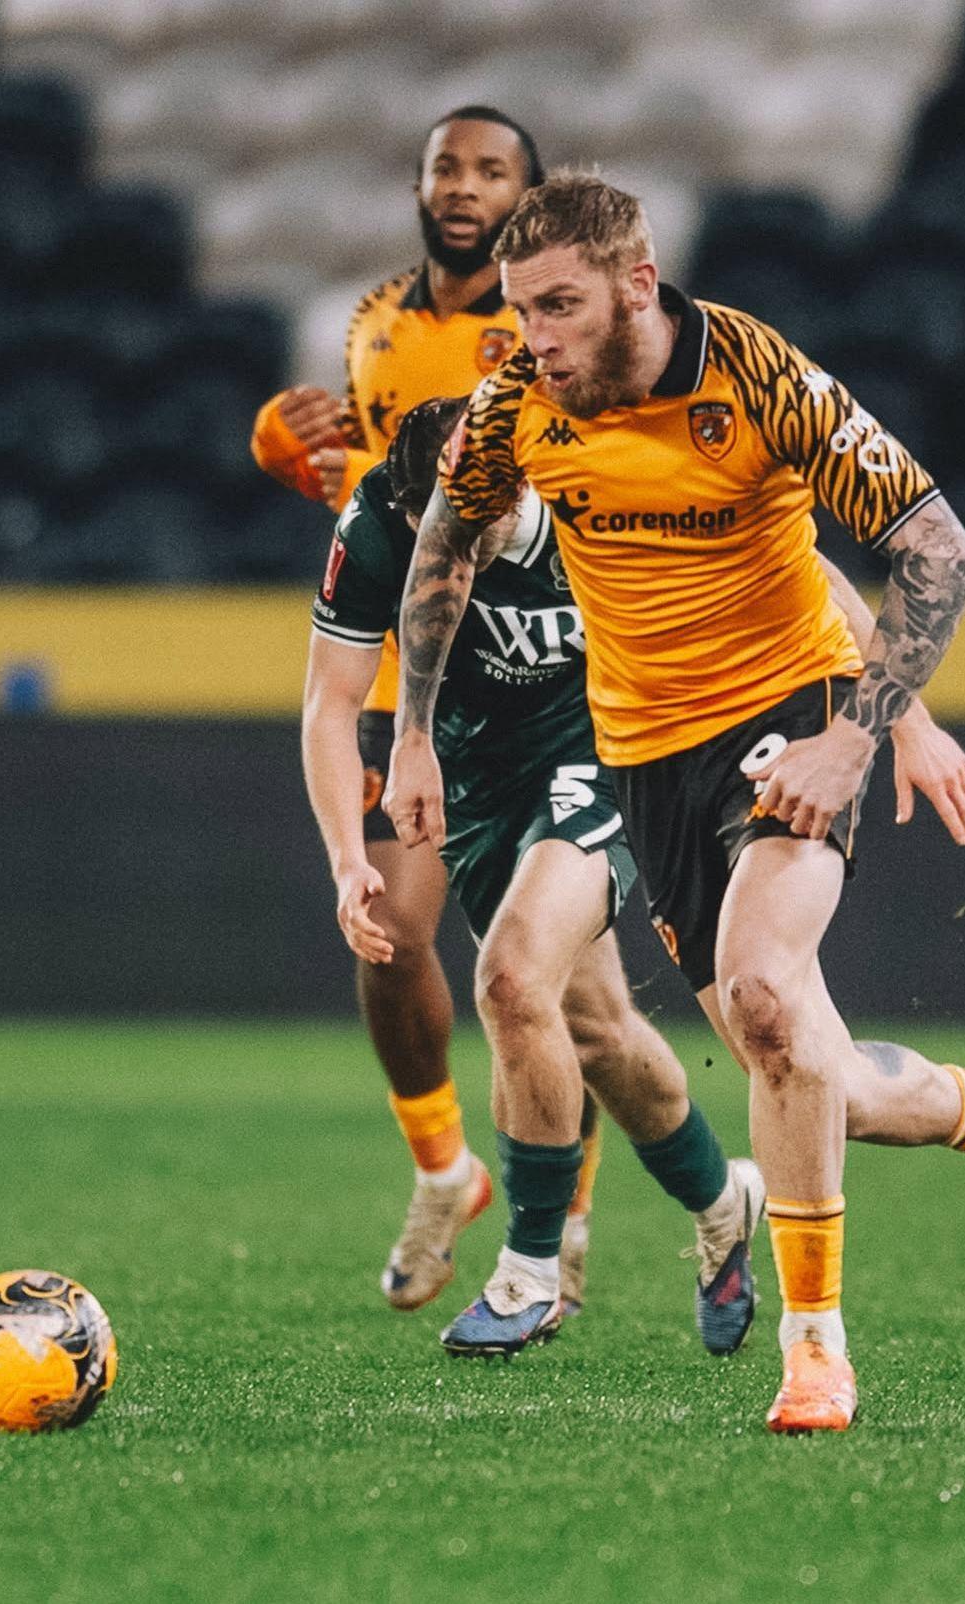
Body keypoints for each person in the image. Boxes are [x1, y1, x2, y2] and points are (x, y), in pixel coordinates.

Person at [385, 173, 965, 1429]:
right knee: (814, 1070)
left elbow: (941, 552)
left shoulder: (758, 381)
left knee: (761, 991)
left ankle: (816, 1352)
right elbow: (442, 545)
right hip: (645, 758)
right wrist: (413, 736)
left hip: (790, 715)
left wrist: (863, 735)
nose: (535, 337)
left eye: (560, 306)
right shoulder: (516, 406)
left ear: (637, 285)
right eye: (520, 310)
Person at [305, 396, 764, 1357]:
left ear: (514, 490)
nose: (443, 545)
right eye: (430, 523)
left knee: (510, 978)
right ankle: (726, 1203)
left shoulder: (592, 494)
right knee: (596, 1031)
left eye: (462, 525)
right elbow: (331, 702)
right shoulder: (377, 522)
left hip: (610, 751)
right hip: (478, 779)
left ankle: (529, 1272)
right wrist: (348, 860)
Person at [251, 108, 613, 1312]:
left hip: (543, 681)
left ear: (529, 196)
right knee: (393, 936)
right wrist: (292, 457)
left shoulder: (548, 330)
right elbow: (387, 503)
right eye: (446, 167)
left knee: (559, 984)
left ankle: (562, 1223)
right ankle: (445, 1166)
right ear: (417, 186)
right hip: (413, 689)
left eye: (491, 171)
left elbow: (543, 491)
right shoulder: (373, 324)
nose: (464, 186)